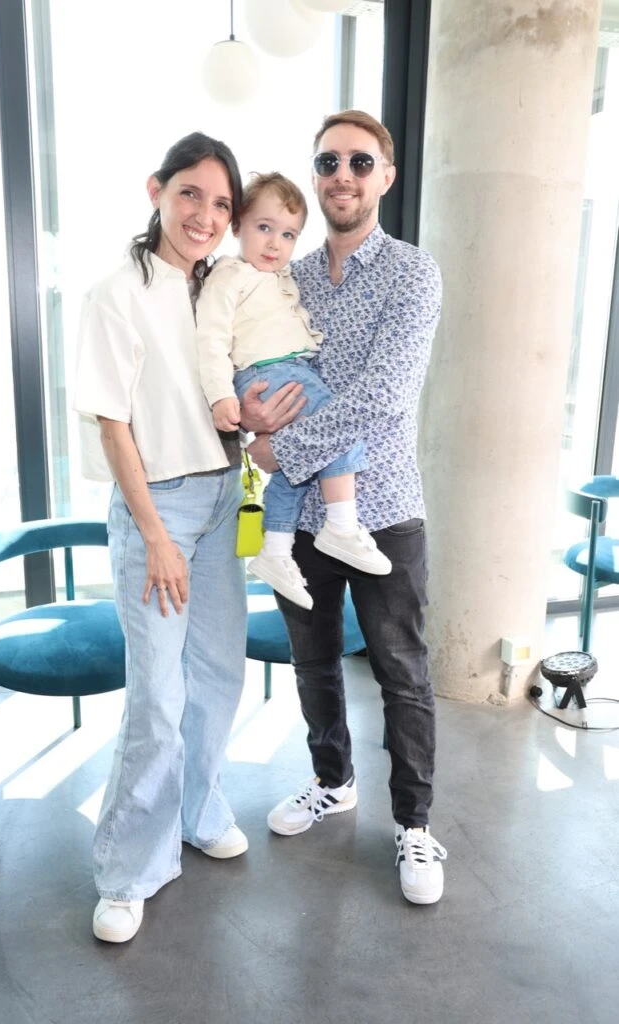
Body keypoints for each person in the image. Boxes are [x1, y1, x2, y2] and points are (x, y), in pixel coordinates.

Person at [240, 110, 447, 905]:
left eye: (360, 162)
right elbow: (261, 376)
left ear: (385, 177)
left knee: (401, 672)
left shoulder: (412, 273)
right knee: (314, 659)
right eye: (328, 161)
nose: (342, 175)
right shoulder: (279, 275)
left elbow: (385, 396)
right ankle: (333, 779)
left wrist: (279, 445)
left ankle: (416, 825)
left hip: (385, 506)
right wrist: (255, 423)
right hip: (294, 516)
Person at [74, 132, 248, 944]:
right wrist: (156, 536)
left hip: (219, 501)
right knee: (160, 699)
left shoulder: (221, 289)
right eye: (190, 194)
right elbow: (113, 426)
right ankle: (126, 869)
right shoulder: (118, 293)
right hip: (161, 511)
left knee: (216, 677)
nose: (204, 215)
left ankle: (196, 810)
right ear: (156, 191)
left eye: (220, 203)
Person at [195, 171, 391, 612]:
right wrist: (220, 397)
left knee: (292, 468)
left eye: (288, 234)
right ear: (238, 225)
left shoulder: (279, 276)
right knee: (336, 426)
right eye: (264, 228)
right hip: (269, 373)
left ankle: (275, 550)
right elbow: (208, 339)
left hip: (289, 371)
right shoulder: (230, 276)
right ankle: (341, 524)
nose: (274, 243)